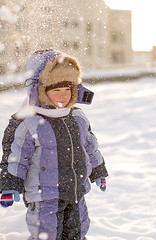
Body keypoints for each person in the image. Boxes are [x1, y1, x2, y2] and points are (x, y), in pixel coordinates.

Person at [0, 50, 108, 240]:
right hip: (44, 197)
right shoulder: (29, 122)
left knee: (79, 231)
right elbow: (15, 157)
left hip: (76, 192)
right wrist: (9, 185)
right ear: (40, 91)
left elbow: (90, 147)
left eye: (68, 90)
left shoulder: (77, 117)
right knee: (46, 234)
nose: (63, 96)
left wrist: (98, 171)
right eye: (56, 90)